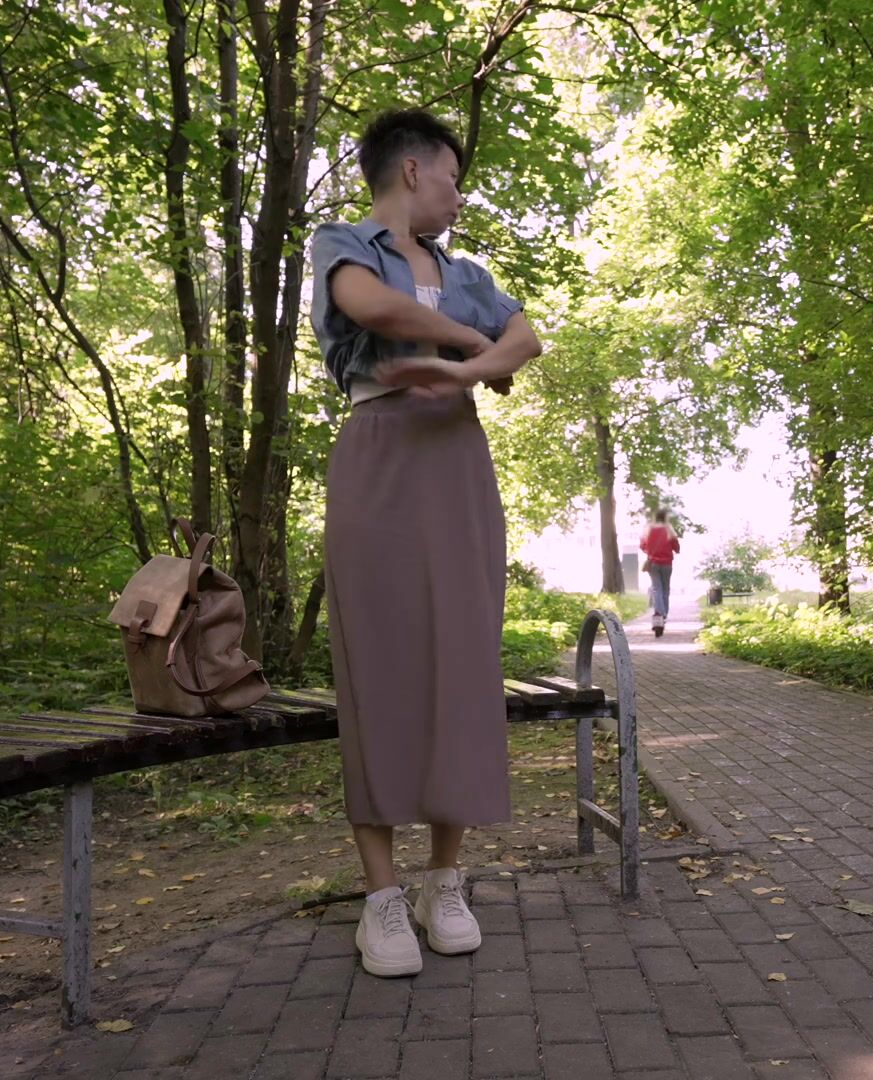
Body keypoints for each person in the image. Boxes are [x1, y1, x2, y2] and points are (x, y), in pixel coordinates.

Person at [308, 108, 543, 979]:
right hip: (377, 457)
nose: (457, 194)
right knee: (377, 665)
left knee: (462, 661)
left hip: (457, 462)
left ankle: (445, 881)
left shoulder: (467, 272)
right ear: (412, 171)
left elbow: (526, 338)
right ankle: (381, 897)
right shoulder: (344, 244)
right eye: (451, 176)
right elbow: (367, 307)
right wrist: (469, 339)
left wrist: (465, 369)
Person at [639, 508, 680, 637]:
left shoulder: (649, 529)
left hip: (653, 563)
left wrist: (650, 551)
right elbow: (677, 547)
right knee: (665, 589)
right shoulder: (669, 529)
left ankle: (659, 612)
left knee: (656, 588)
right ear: (665, 517)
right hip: (667, 564)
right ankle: (664, 614)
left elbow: (643, 545)